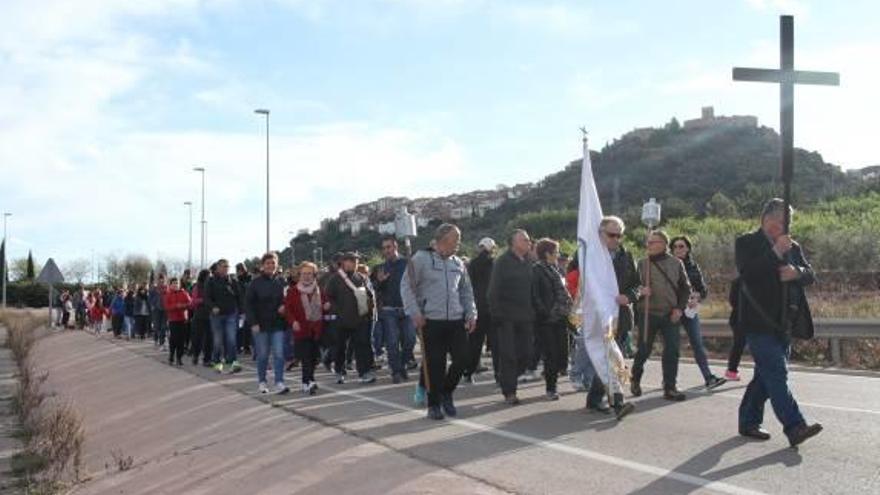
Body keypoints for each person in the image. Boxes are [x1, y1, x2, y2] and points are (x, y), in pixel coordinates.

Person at [734, 198, 822, 446]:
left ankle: (748, 420)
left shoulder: (792, 245)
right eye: (781, 221)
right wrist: (775, 253)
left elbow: (810, 274)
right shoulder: (746, 242)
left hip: (785, 323)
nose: (785, 226)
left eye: (788, 221)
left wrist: (797, 272)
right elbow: (748, 273)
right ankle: (795, 426)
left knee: (765, 377)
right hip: (758, 321)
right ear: (767, 219)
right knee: (777, 373)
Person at [401, 223, 477, 420]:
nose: (459, 243)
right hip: (430, 321)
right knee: (435, 364)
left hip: (455, 320)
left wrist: (471, 313)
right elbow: (407, 287)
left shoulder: (458, 263)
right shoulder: (421, 259)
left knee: (462, 360)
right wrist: (414, 312)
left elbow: (466, 291)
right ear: (443, 240)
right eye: (456, 239)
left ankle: (447, 392)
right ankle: (433, 404)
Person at [631, 230, 691, 402]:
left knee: (672, 350)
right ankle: (635, 378)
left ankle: (670, 387)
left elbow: (685, 289)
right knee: (644, 350)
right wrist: (641, 292)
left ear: (664, 244)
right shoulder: (642, 264)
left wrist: (679, 309)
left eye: (653, 242)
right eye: (648, 242)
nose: (649, 245)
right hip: (647, 313)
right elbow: (632, 288)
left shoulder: (676, 263)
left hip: (670, 314)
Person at [670, 235, 727, 390]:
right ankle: (669, 381)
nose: (678, 249)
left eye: (681, 246)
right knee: (672, 347)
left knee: (697, 344)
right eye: (675, 247)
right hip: (673, 310)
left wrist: (698, 297)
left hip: (689, 311)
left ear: (688, 248)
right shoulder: (668, 266)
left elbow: (703, 289)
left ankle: (709, 377)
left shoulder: (694, 267)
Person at [487, 229, 535, 406]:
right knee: (509, 355)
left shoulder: (530, 261)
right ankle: (509, 391)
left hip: (526, 315)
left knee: (527, 353)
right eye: (524, 240)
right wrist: (496, 313)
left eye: (528, 240)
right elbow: (493, 290)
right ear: (513, 243)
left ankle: (507, 377)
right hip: (506, 316)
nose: (528, 243)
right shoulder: (502, 262)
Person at [325, 252, 376, 385]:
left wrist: (370, 311)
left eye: (355, 261)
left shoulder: (362, 277)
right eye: (349, 261)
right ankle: (339, 372)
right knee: (340, 347)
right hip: (341, 320)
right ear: (343, 262)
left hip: (360, 319)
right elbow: (328, 296)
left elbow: (370, 296)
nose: (352, 263)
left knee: (362, 346)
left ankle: (364, 372)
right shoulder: (335, 279)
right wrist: (337, 311)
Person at [531, 238, 573, 401]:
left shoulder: (555, 269)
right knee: (551, 354)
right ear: (547, 253)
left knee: (562, 351)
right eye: (555, 252)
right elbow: (534, 295)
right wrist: (544, 312)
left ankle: (554, 379)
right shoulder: (537, 270)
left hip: (561, 317)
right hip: (546, 319)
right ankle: (551, 388)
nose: (558, 255)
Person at [374, 236, 417, 384]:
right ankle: (396, 371)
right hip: (388, 310)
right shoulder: (380, 268)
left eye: (389, 247)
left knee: (410, 340)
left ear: (395, 247)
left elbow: (416, 283)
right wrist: (379, 283)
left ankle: (402, 365)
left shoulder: (407, 263)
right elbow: (375, 290)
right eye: (384, 248)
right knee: (392, 343)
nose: (386, 250)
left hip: (407, 308)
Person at [245, 252, 290, 394]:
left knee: (279, 354)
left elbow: (287, 300)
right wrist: (253, 323)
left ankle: (279, 382)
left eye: (273, 263)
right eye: (268, 263)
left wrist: (284, 306)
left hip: (278, 324)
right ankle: (262, 382)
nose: (271, 266)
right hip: (261, 325)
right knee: (263, 355)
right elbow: (248, 304)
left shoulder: (282, 282)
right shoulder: (255, 283)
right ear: (262, 266)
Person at [285, 261, 328, 395]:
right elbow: (288, 309)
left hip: (316, 328)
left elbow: (325, 303)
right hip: (301, 329)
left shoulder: (319, 289)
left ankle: (310, 380)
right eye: (304, 274)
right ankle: (306, 383)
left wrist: (326, 305)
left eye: (309, 273)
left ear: (314, 275)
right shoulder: (293, 291)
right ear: (299, 275)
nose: (307, 276)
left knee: (314, 358)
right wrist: (293, 322)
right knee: (306, 358)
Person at [600, 216, 640, 358]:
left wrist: (628, 296)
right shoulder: (588, 255)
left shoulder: (627, 256)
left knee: (615, 361)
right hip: (595, 318)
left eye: (619, 235)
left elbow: (637, 285)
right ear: (601, 233)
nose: (616, 239)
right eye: (611, 235)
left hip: (620, 318)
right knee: (597, 364)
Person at [464, 237, 496, 384]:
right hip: (492, 307)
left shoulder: (472, 264)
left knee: (475, 343)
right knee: (496, 343)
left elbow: (468, 286)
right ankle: (499, 374)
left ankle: (468, 372)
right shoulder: (494, 263)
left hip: (477, 307)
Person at [206, 259, 243, 374]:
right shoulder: (211, 281)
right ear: (217, 268)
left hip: (231, 314)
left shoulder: (233, 281)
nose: (225, 268)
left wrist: (242, 311)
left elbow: (240, 296)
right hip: (216, 315)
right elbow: (206, 297)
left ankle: (234, 363)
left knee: (231, 339)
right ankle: (217, 362)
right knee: (218, 341)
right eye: (223, 266)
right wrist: (213, 307)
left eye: (227, 266)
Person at [163, 277, 192, 366]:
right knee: (174, 339)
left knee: (181, 340)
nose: (176, 285)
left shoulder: (184, 293)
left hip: (183, 319)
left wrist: (183, 305)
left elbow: (190, 303)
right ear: (170, 285)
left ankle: (179, 358)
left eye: (177, 283)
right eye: (174, 283)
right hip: (173, 319)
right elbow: (167, 307)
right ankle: (171, 355)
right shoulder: (168, 294)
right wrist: (176, 306)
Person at [189, 269, 213, 366]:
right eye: (208, 276)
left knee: (209, 338)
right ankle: (195, 355)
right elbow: (193, 301)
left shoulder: (212, 286)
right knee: (197, 337)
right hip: (199, 314)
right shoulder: (197, 286)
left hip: (210, 315)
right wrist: (204, 300)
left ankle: (207, 359)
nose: (210, 277)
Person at [236, 263, 253, 357]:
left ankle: (246, 347)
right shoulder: (237, 281)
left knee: (246, 328)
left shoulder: (249, 279)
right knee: (240, 328)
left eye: (240, 270)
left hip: (247, 308)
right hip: (241, 309)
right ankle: (240, 346)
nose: (239, 272)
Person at [149, 275, 169, 350]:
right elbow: (150, 298)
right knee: (157, 327)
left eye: (163, 280)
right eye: (160, 281)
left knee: (163, 327)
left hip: (165, 310)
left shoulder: (167, 289)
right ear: (158, 281)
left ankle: (162, 343)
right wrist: (152, 305)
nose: (161, 282)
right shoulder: (154, 289)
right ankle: (156, 339)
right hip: (156, 310)